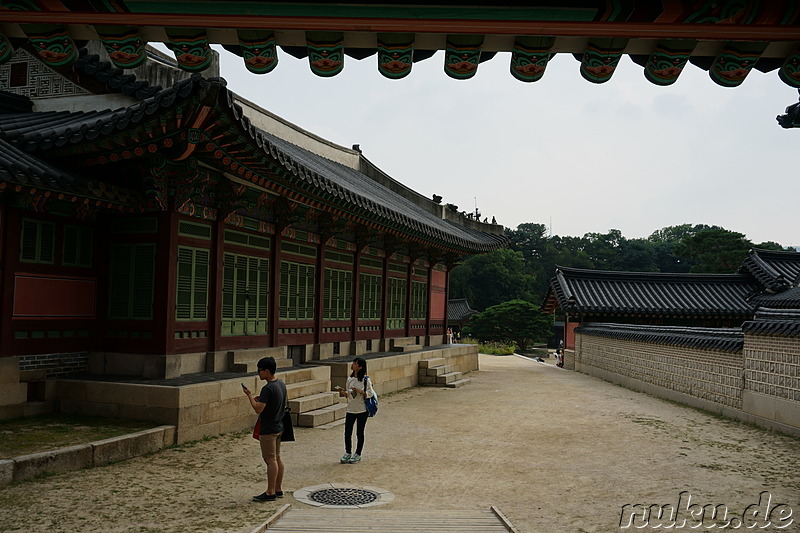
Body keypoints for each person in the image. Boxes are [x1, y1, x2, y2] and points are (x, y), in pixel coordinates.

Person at [242, 356, 287, 502]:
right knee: (277, 457)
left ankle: (270, 491)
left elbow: (258, 409)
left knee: (270, 460)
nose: (258, 373)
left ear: (267, 371)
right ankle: (278, 488)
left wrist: (249, 396)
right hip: (279, 425)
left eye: (260, 370)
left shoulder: (267, 388)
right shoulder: (280, 384)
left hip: (269, 428)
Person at [334, 357, 374, 464]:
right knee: (347, 432)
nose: (353, 365)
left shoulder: (365, 380)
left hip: (361, 410)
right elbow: (348, 395)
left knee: (359, 433)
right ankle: (347, 452)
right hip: (350, 409)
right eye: (353, 363)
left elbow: (370, 394)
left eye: (355, 363)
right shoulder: (349, 379)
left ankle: (358, 454)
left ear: (360, 367)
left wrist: (360, 391)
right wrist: (342, 392)